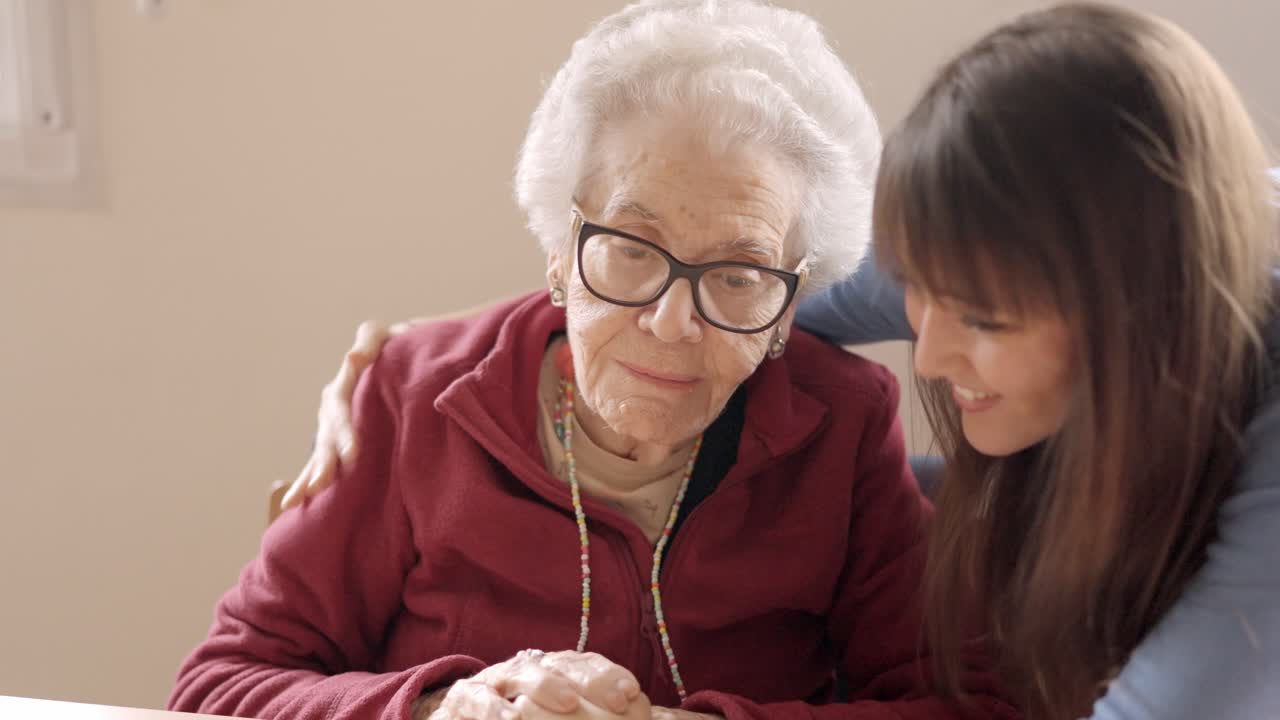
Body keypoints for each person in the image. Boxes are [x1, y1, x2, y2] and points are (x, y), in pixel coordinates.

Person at [294, 3, 1280, 719]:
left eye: (978, 319)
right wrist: (425, 361)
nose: (924, 353)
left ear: (1133, 309)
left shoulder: (1246, 444)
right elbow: (716, 287)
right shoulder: (991, 257)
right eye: (921, 293)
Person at [168, 2, 1014, 720]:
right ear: (559, 248)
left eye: (737, 272)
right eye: (631, 248)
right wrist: (438, 709)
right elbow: (216, 688)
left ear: (791, 301)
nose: (672, 321)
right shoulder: (411, 399)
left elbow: (958, 702)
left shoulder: (843, 425)